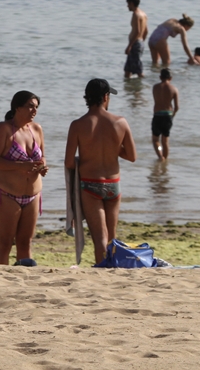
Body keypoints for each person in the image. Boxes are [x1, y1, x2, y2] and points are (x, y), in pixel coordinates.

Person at [64, 79, 136, 265]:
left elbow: (69, 162)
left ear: (87, 98)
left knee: (99, 238)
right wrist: (113, 147)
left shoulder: (78, 125)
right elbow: (132, 156)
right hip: (113, 184)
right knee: (112, 236)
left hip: (90, 184)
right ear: (105, 97)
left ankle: (102, 271)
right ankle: (113, 269)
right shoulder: (121, 122)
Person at [0, 91, 48, 266]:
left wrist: (41, 167)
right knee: (5, 242)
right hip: (7, 194)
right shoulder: (4, 129)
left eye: (36, 107)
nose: (34, 110)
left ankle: (25, 280)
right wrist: (22, 166)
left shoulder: (37, 129)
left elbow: (42, 157)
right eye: (30, 106)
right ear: (17, 107)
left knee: (25, 242)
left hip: (33, 195)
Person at [151, 69, 179, 161]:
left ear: (160, 77)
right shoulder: (174, 89)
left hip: (157, 115)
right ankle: (165, 159)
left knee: (156, 140)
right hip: (168, 115)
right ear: (170, 78)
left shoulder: (155, 87)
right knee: (165, 141)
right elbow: (177, 107)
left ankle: (160, 156)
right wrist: (172, 116)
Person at [124, 0, 147, 78]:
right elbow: (146, 30)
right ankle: (128, 89)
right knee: (127, 70)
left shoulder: (136, 14)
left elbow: (137, 31)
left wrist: (130, 46)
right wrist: (142, 41)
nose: (127, 6)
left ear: (132, 3)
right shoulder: (143, 14)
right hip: (139, 42)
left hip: (135, 44)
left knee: (138, 70)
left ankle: (144, 86)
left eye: (128, 4)